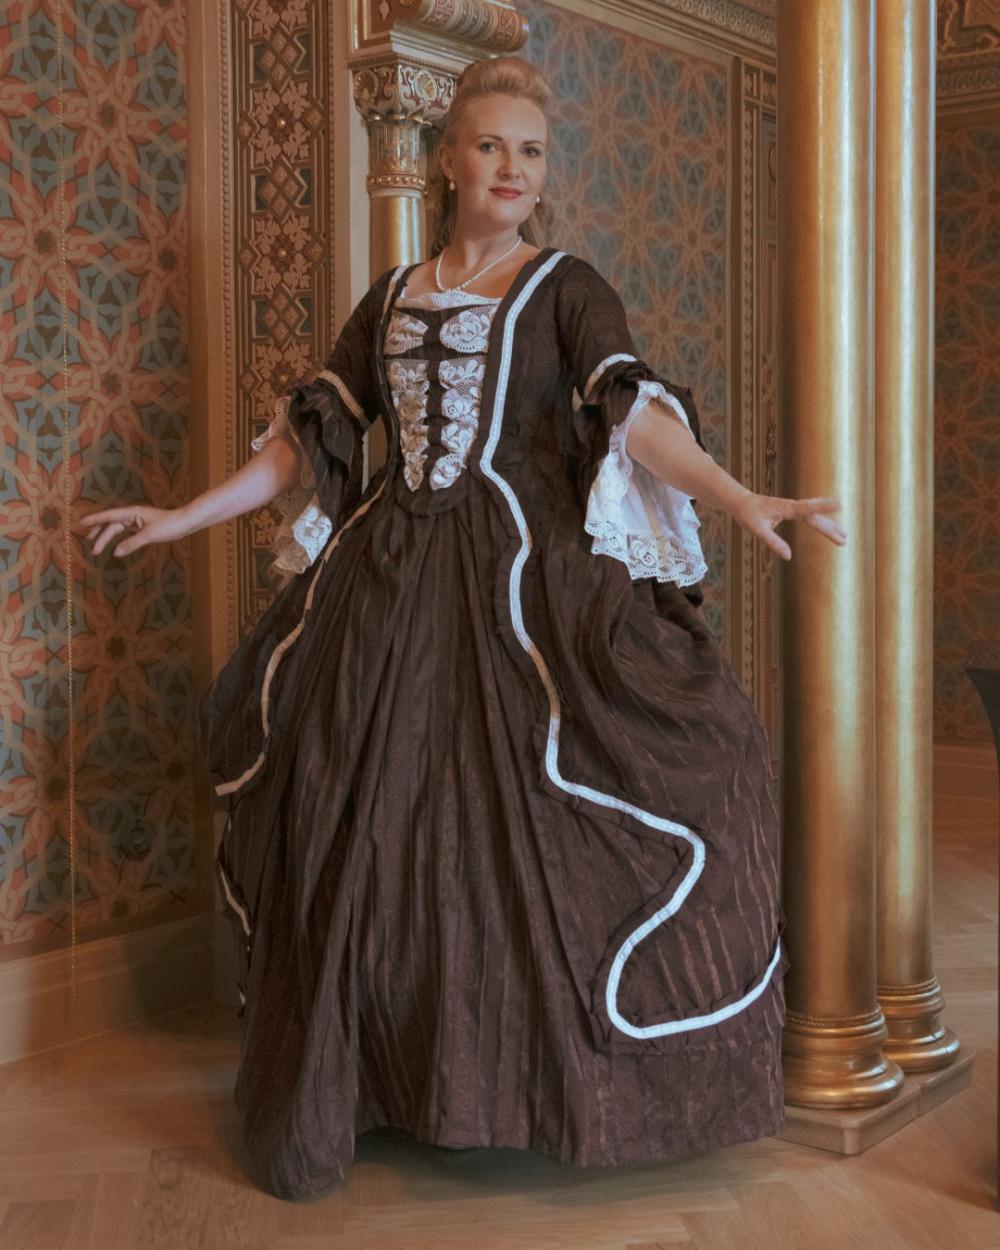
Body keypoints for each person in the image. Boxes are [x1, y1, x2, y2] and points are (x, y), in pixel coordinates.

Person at [79, 55, 846, 1202]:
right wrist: (183, 514)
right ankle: (391, 1076)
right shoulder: (390, 295)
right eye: (490, 146)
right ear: (446, 159)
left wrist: (738, 495)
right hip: (387, 578)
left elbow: (631, 414)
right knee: (365, 817)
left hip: (524, 579)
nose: (511, 169)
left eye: (530, 151)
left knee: (579, 800)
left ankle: (532, 1084)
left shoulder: (568, 286)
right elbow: (304, 442)